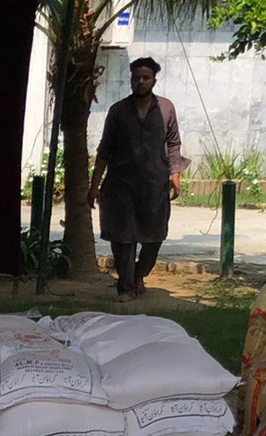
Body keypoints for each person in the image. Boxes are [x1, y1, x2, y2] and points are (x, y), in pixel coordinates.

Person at [87, 58, 189, 301]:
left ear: (154, 80)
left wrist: (175, 175)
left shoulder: (166, 109)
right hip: (120, 185)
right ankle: (125, 287)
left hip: (155, 185)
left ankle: (139, 274)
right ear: (131, 80)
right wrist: (94, 186)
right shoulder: (118, 111)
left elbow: (173, 143)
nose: (141, 82)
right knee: (123, 237)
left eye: (146, 78)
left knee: (154, 236)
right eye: (136, 78)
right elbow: (105, 150)